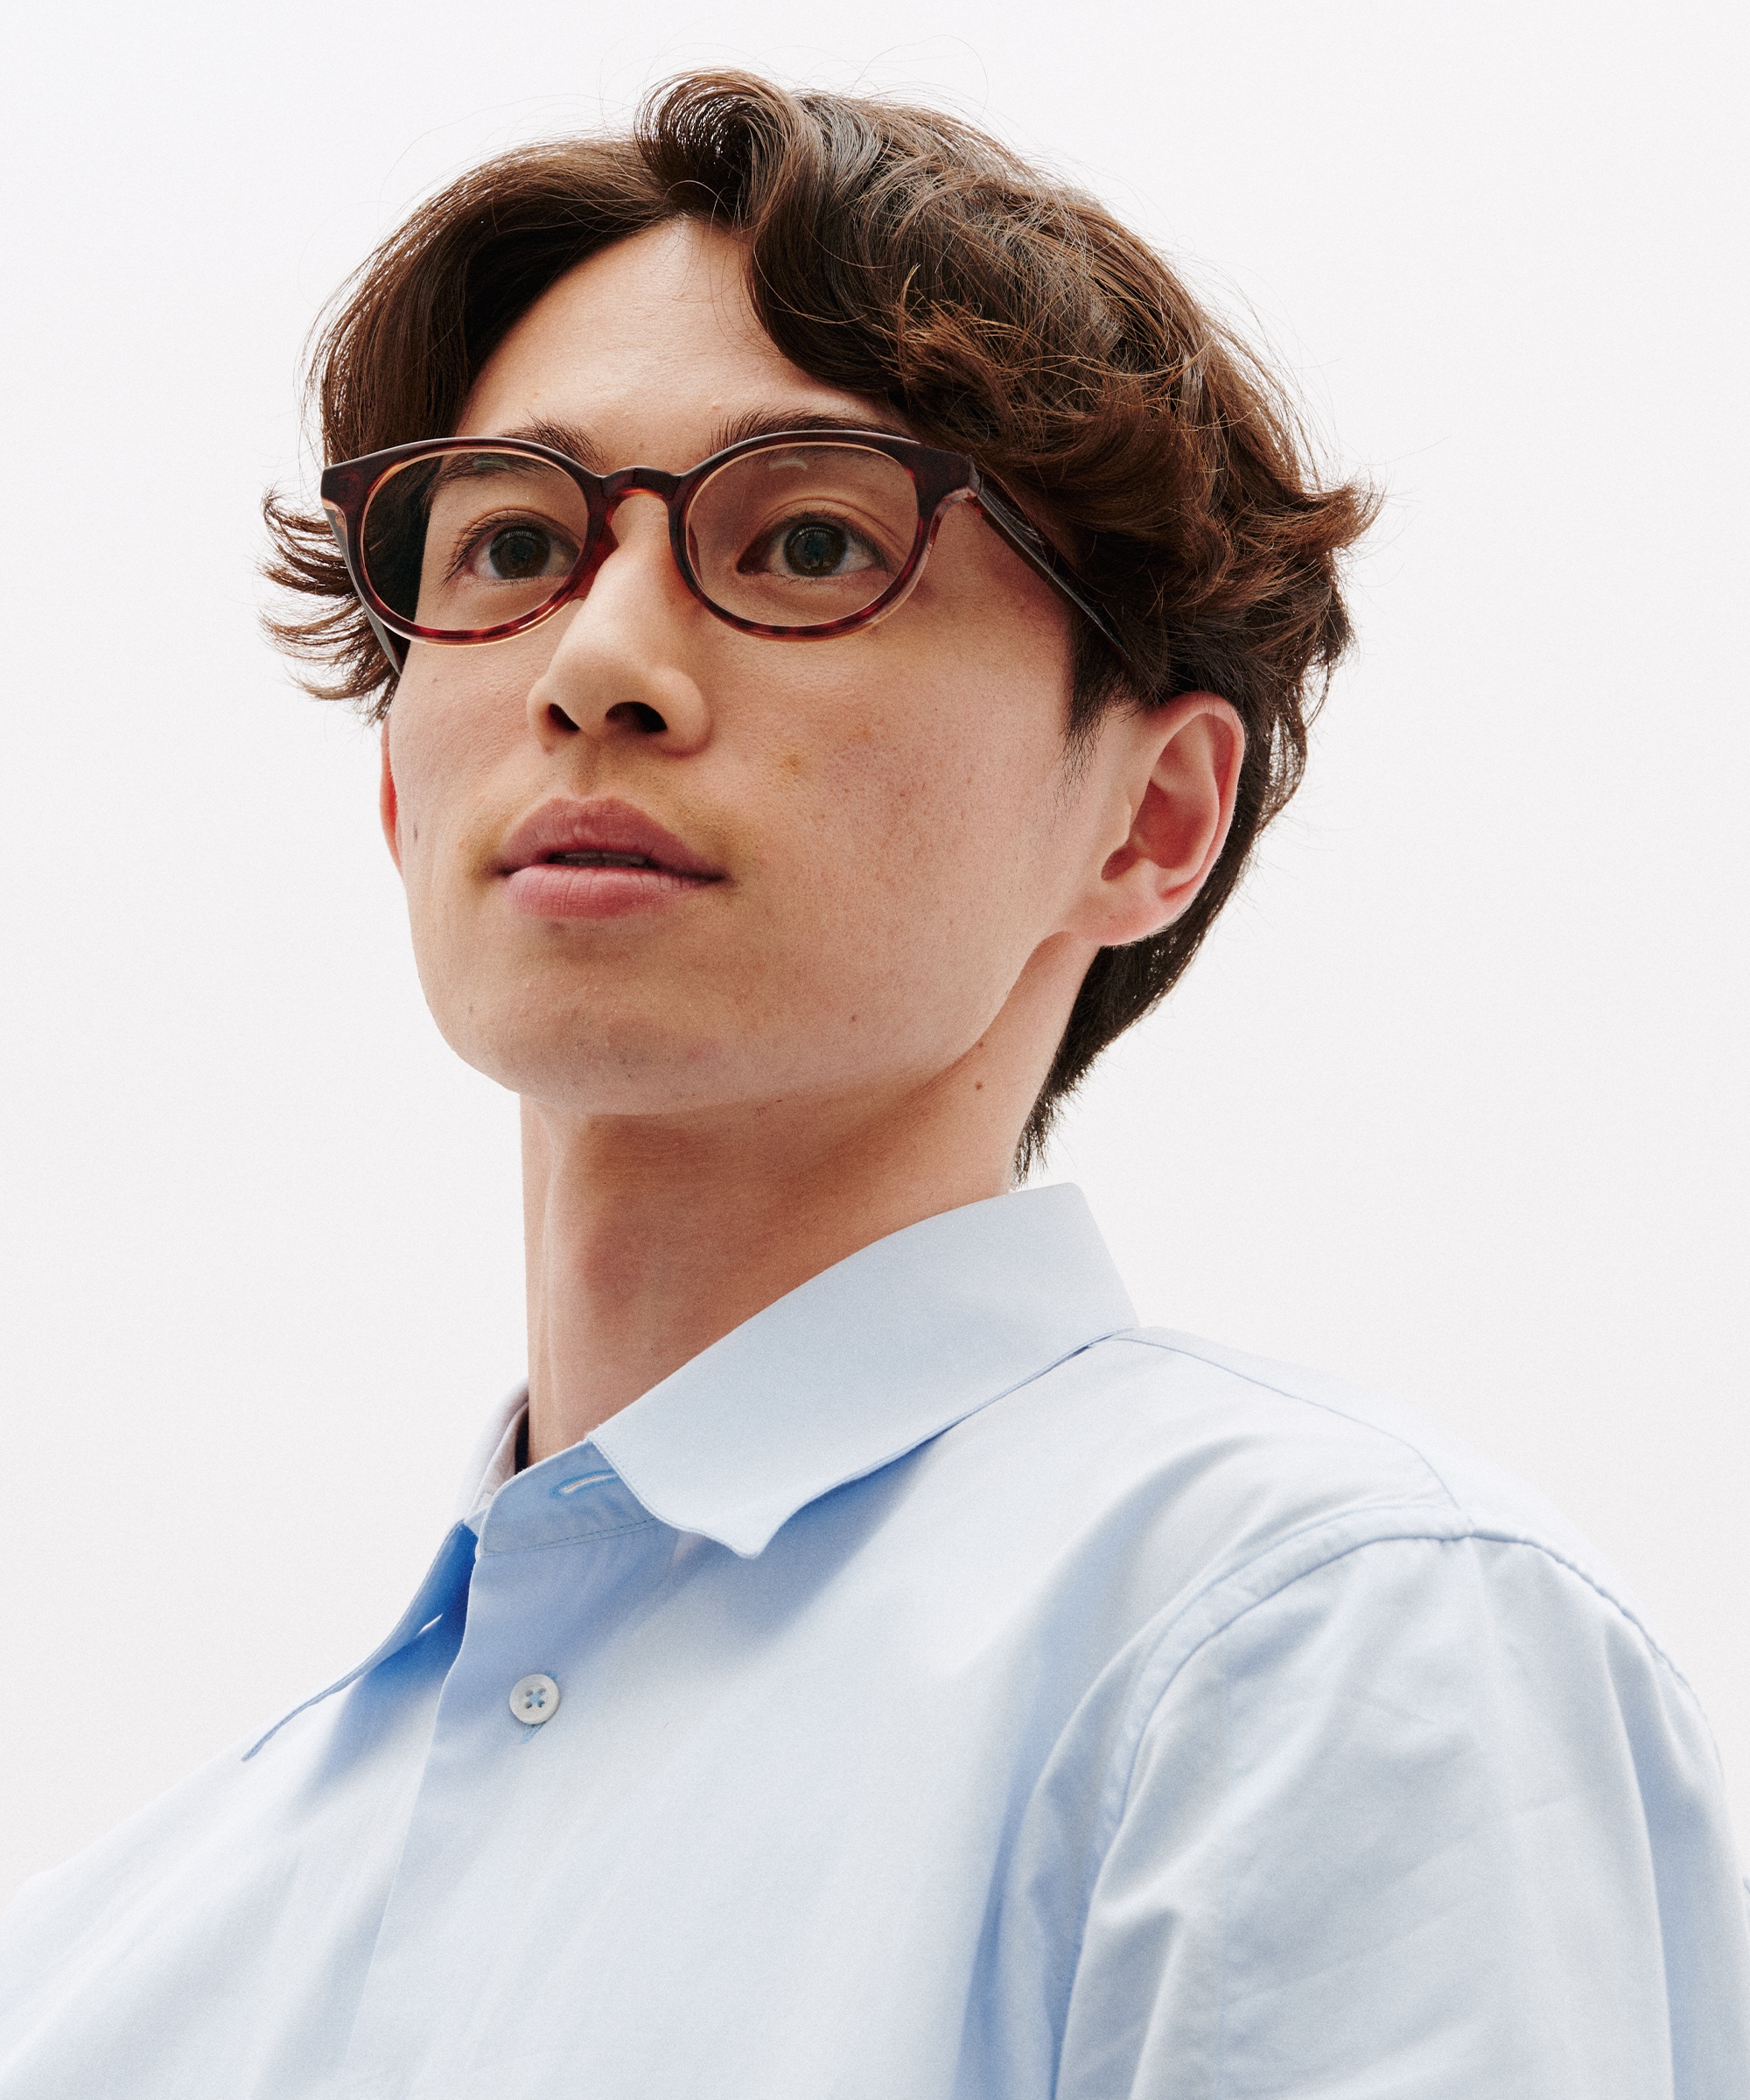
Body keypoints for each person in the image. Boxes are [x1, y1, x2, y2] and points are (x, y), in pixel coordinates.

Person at [1, 67, 1744, 2099]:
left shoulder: (1310, 1645)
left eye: (811, 539)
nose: (594, 664)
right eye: (509, 546)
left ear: (1152, 818)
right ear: (400, 787)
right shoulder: (100, 1976)